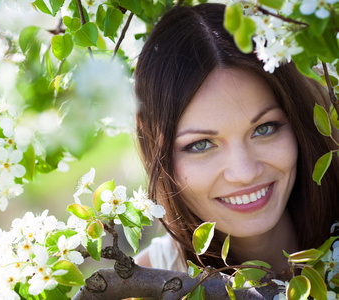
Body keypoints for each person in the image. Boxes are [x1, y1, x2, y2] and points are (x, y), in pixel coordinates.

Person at [133, 3, 339, 275]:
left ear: (298, 124)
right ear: (159, 156)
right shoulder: (144, 282)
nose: (244, 173)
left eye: (264, 128)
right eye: (201, 145)